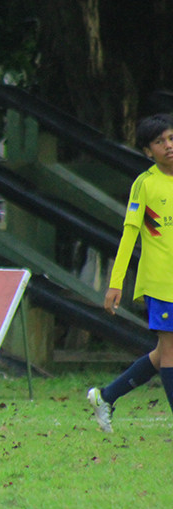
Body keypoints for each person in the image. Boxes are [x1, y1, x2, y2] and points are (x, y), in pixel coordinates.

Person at [88, 113, 173, 432]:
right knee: (171, 352)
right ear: (148, 151)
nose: (168, 145)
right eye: (159, 142)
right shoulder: (145, 184)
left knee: (162, 354)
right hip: (160, 283)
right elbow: (129, 234)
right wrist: (115, 283)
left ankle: (106, 396)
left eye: (171, 138)